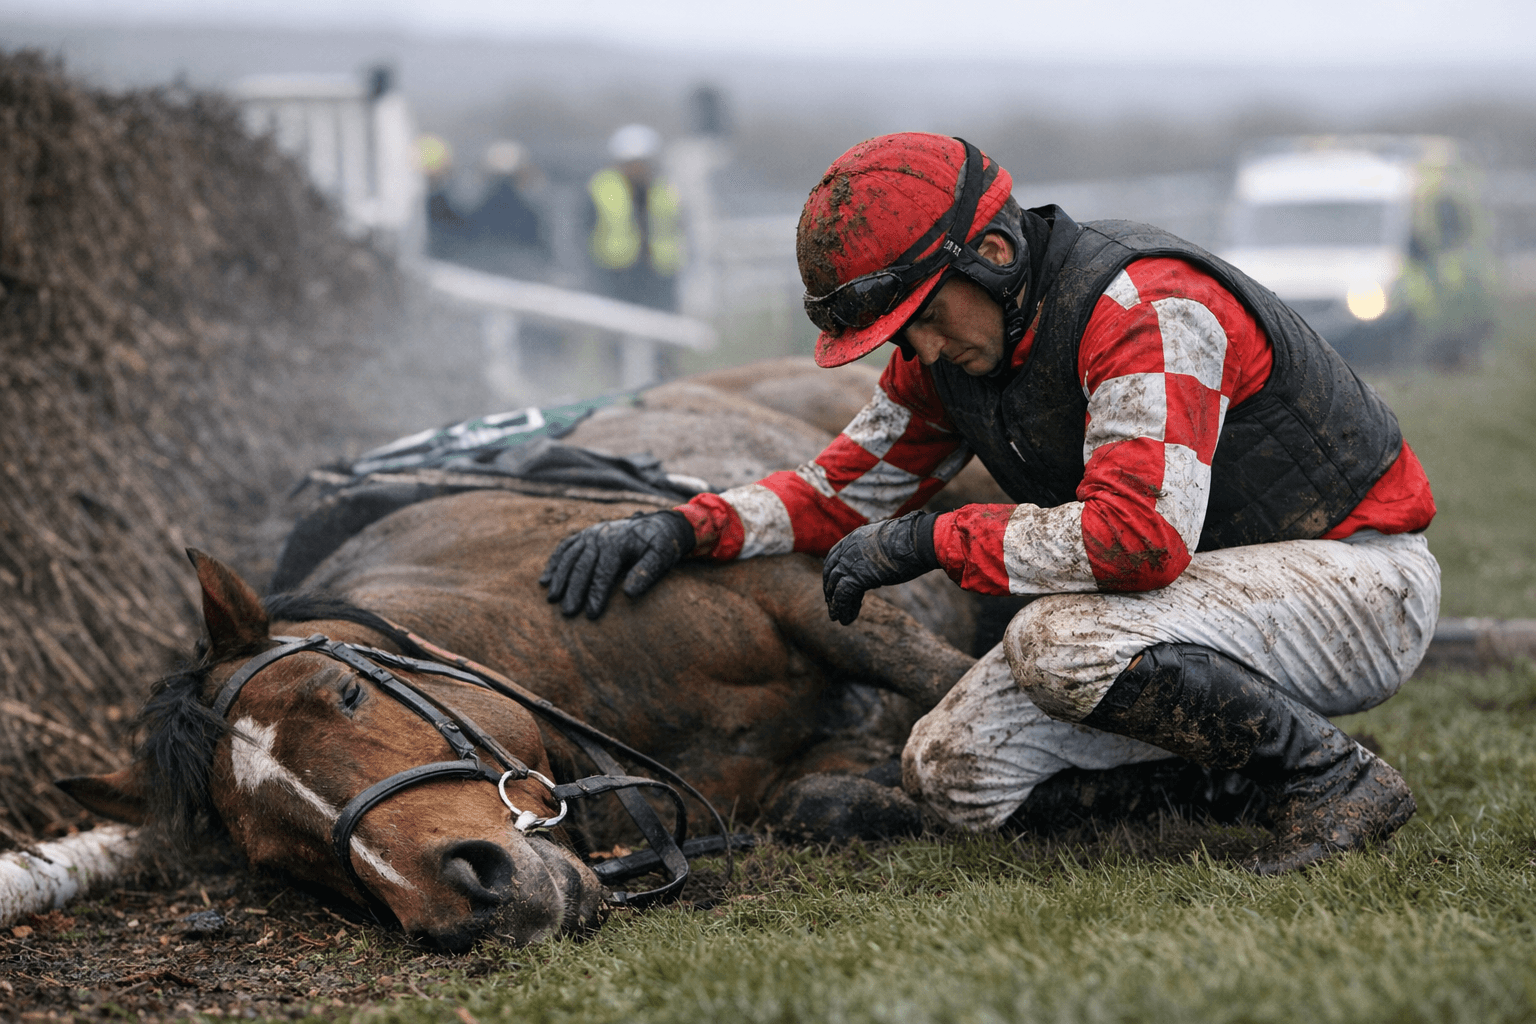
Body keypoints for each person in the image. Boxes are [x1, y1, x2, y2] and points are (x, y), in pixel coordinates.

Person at [541, 133, 1439, 875]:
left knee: (1058, 640)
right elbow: (836, 494)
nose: (920, 351)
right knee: (947, 772)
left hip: (1359, 580)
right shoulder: (956, 346)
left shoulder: (1147, 305)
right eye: (900, 336)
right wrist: (684, 525)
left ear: (996, 255)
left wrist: (931, 538)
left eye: (923, 320)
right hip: (1199, 606)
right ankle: (1231, 782)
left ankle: (1333, 780)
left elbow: (1140, 542)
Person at [585, 124, 684, 311]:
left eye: (642, 163)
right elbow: (584, 230)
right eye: (631, 163)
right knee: (616, 326)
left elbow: (678, 227)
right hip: (615, 273)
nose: (637, 169)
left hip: (659, 273)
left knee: (662, 328)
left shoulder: (664, 188)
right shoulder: (602, 188)